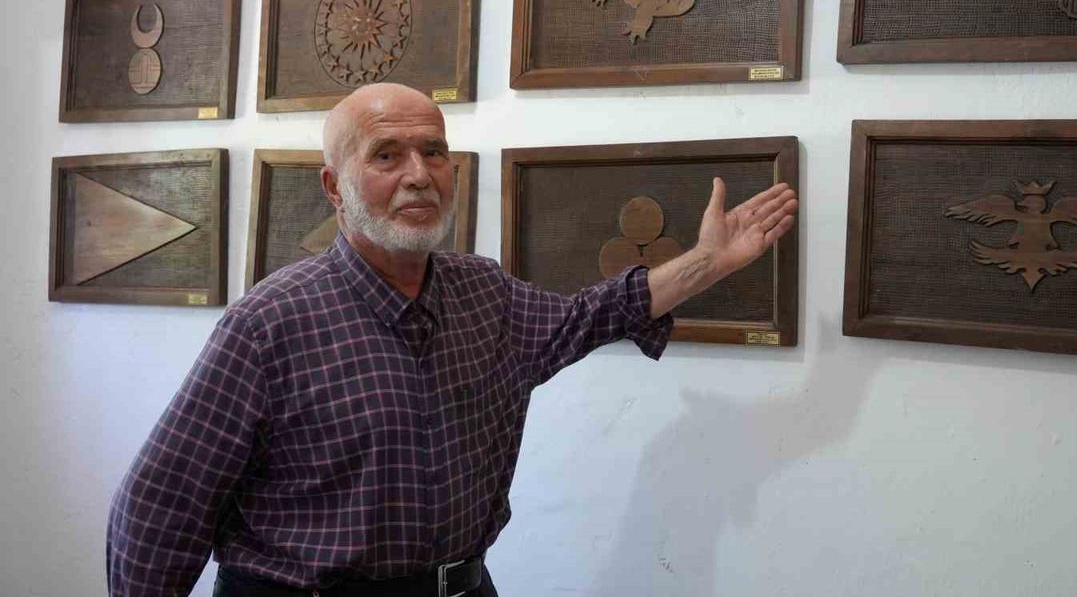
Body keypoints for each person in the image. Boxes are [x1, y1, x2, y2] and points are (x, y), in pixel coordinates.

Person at [106, 83, 799, 597]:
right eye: (387, 155)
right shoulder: (269, 323)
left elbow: (592, 314)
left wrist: (709, 262)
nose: (418, 174)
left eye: (433, 152)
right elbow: (162, 506)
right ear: (334, 187)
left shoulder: (484, 293)